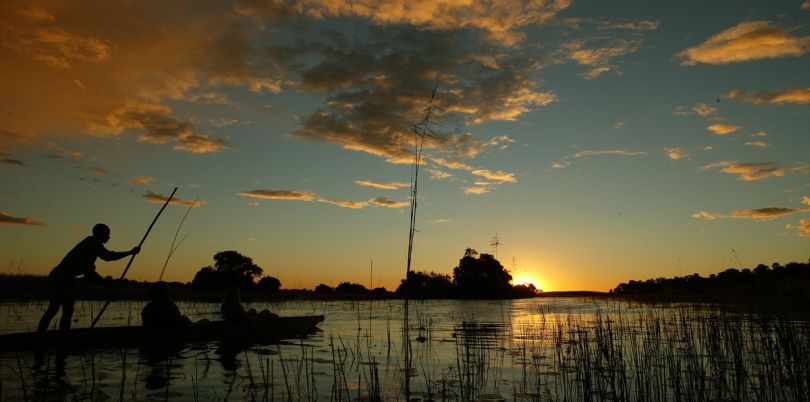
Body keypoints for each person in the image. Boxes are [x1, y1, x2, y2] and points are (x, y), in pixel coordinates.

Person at [37, 223, 140, 332]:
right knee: (55, 309)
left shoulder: (90, 250)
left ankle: (62, 336)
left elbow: (90, 275)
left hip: (64, 277)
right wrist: (130, 252)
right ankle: (43, 336)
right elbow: (107, 256)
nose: (109, 237)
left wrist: (108, 284)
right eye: (107, 234)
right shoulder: (93, 242)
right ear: (101, 234)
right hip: (61, 277)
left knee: (67, 310)